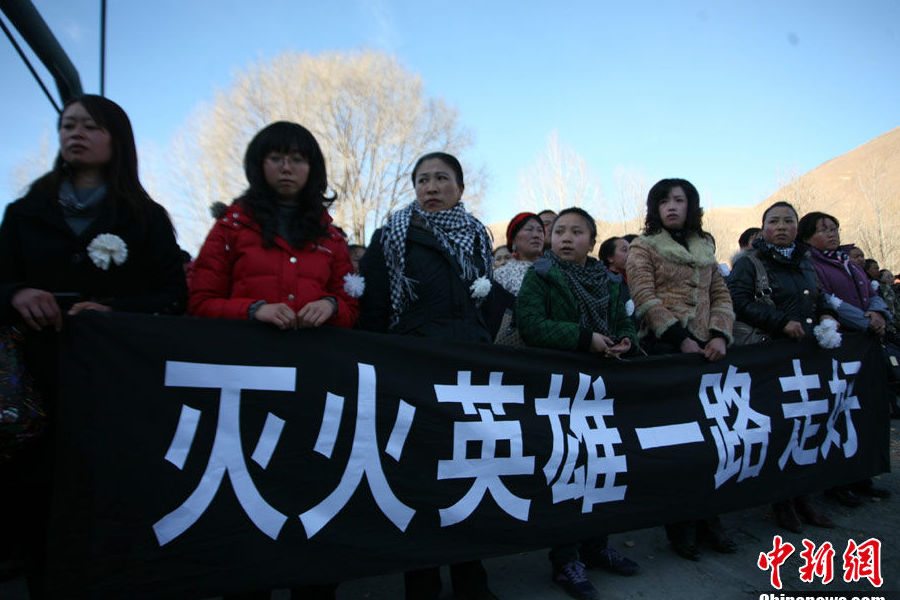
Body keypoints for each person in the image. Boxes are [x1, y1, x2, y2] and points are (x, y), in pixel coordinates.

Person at [0, 94, 187, 598]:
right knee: (36, 497)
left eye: (89, 126)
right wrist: (18, 293)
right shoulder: (22, 213)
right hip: (35, 381)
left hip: (113, 382)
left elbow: (174, 295)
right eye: (67, 125)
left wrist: (114, 313)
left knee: (110, 498)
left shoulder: (145, 218)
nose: (74, 133)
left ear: (117, 139)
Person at [189, 122, 357, 600]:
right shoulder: (231, 227)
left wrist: (330, 307)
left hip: (315, 391)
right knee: (245, 503)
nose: (288, 167)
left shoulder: (331, 235)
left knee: (313, 494)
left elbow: (352, 306)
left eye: (299, 159)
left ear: (313, 168)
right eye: (277, 157)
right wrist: (251, 310)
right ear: (259, 164)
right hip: (247, 391)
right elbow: (199, 301)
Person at [359, 152, 497, 600]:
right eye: (422, 180)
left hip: (470, 372)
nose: (431, 187)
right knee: (419, 480)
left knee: (470, 476)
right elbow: (376, 309)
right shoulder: (392, 236)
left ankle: (471, 580)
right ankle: (421, 584)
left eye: (441, 178)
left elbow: (484, 301)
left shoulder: (478, 236)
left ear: (460, 186)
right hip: (414, 373)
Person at [516, 208, 638, 600]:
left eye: (577, 232)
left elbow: (625, 322)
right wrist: (585, 338)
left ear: (592, 239)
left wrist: (624, 340)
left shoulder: (610, 281)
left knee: (603, 469)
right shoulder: (540, 276)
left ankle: (596, 546)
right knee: (568, 471)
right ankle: (566, 560)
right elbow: (530, 325)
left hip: (604, 388)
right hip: (559, 389)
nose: (566, 238)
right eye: (559, 231)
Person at [625, 178, 736, 561]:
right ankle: (680, 525)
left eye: (680, 200)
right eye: (664, 201)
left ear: (692, 206)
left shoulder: (705, 247)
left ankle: (710, 519)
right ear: (654, 208)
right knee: (679, 442)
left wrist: (720, 335)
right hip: (665, 350)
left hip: (709, 352)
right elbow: (642, 293)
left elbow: (720, 293)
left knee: (712, 440)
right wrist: (678, 337)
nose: (672, 206)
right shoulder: (643, 246)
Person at [726, 201, 837, 533]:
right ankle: (781, 501)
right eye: (774, 221)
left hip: (804, 356)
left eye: (788, 221)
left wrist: (828, 314)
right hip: (769, 354)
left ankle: (803, 497)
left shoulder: (804, 262)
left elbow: (818, 297)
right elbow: (737, 301)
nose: (782, 226)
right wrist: (780, 322)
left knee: (806, 425)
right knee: (778, 427)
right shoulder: (750, 262)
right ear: (763, 229)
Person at [797, 211, 892, 504]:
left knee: (866, 411)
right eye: (823, 229)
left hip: (865, 347)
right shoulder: (811, 264)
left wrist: (877, 313)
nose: (831, 233)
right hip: (842, 347)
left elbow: (871, 291)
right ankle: (838, 482)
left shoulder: (849, 263)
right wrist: (866, 321)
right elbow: (828, 301)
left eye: (834, 228)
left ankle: (862, 475)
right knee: (839, 414)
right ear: (808, 236)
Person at [493, 212, 545, 295]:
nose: (536, 235)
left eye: (540, 230)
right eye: (529, 229)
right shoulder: (500, 276)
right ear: (513, 239)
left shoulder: (555, 268)